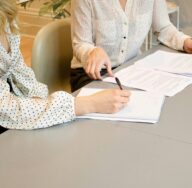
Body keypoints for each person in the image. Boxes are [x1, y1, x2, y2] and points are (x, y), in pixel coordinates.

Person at [0, 0, 131, 133]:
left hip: (18, 111)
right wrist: (89, 104)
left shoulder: (6, 14)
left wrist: (39, 103)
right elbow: (6, 109)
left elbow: (20, 72)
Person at [70, 0, 192, 92]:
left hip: (131, 70)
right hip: (91, 75)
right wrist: (92, 52)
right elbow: (80, 43)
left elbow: (163, 27)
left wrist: (185, 42)